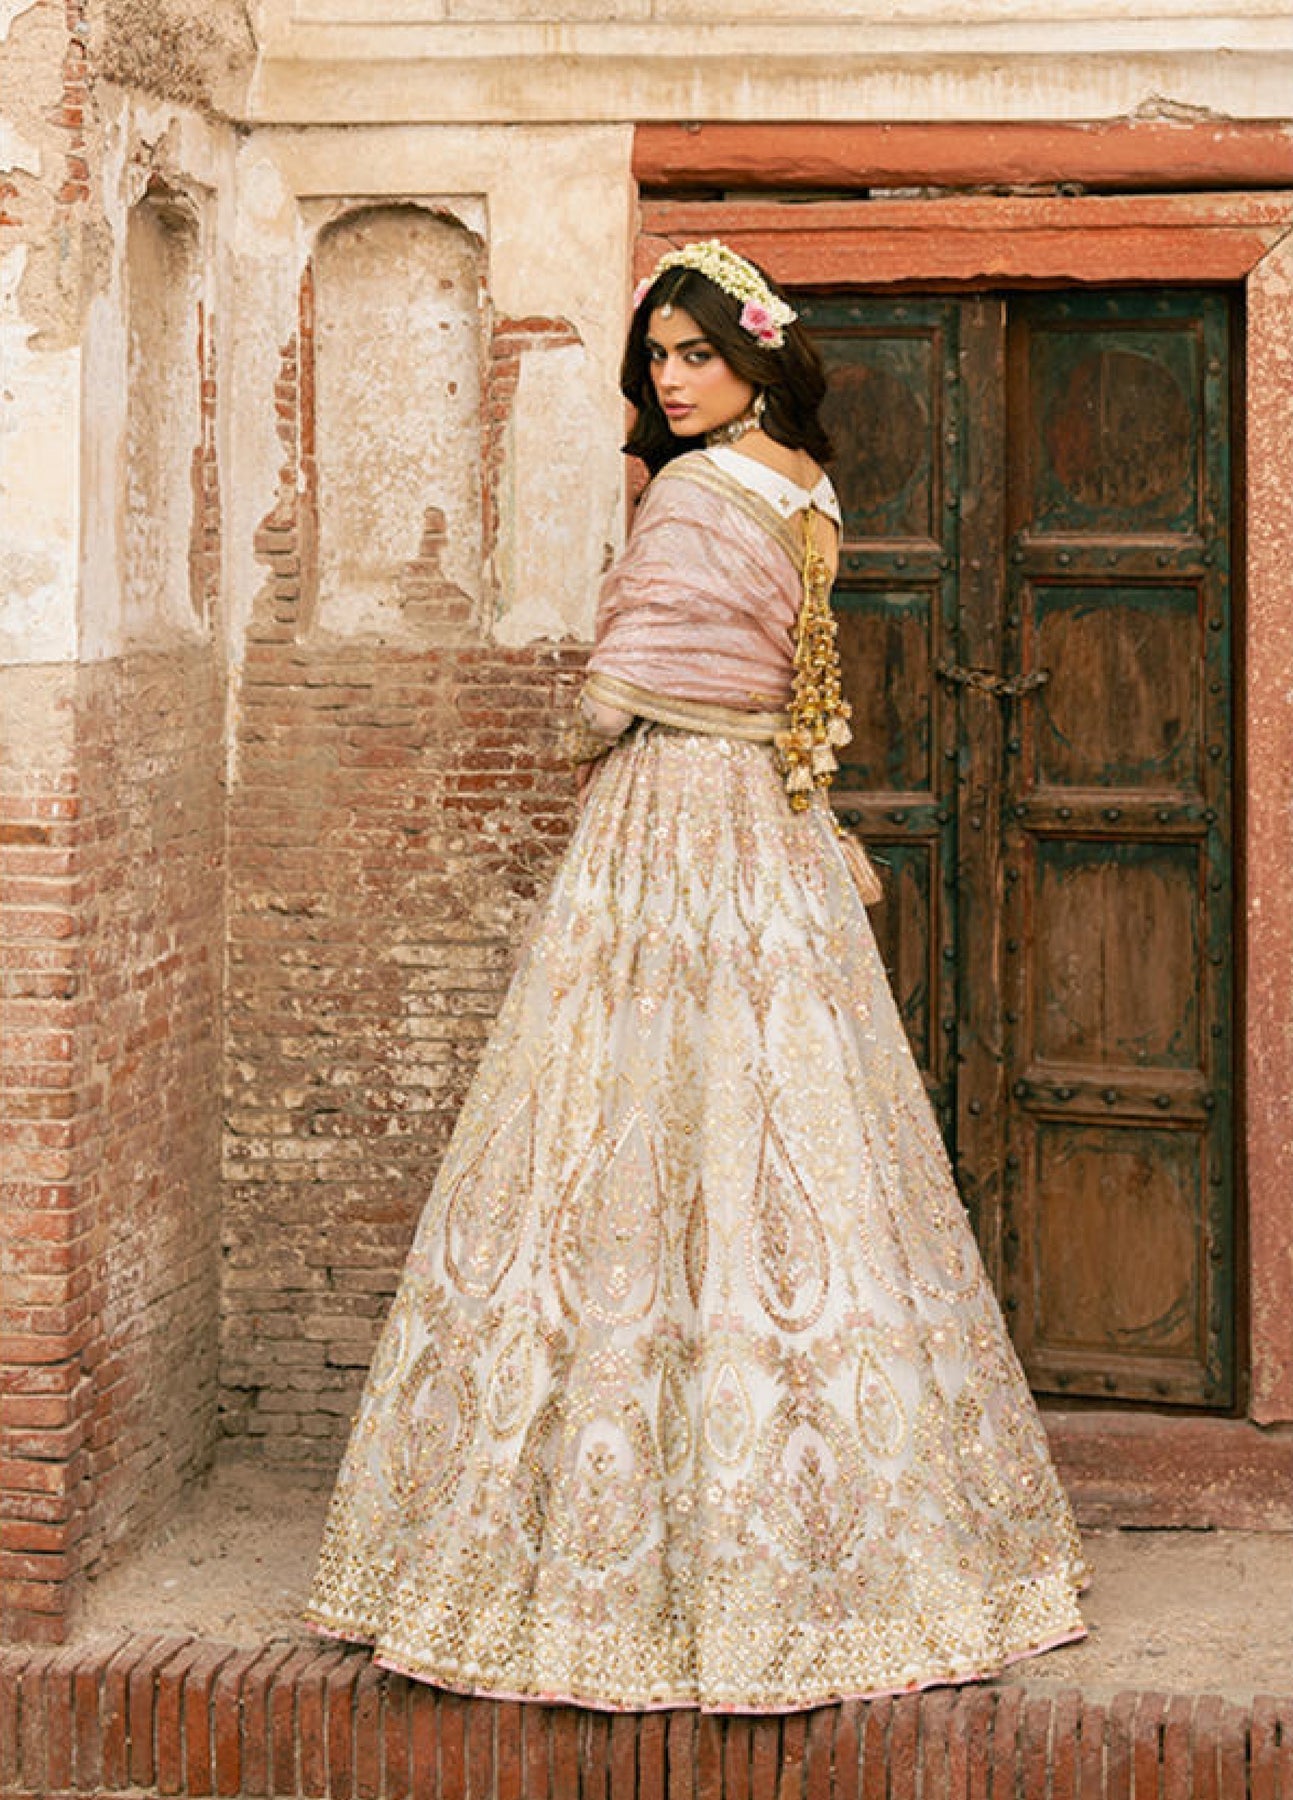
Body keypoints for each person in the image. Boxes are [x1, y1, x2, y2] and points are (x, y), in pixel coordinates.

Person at [303, 239, 1088, 1713]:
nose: (669, 381)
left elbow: (620, 693)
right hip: (773, 826)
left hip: (673, 815)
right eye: (655, 359)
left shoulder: (696, 493)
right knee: (781, 1131)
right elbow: (793, 679)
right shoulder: (808, 490)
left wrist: (588, 727)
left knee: (624, 1125)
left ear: (753, 359)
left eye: (695, 355)